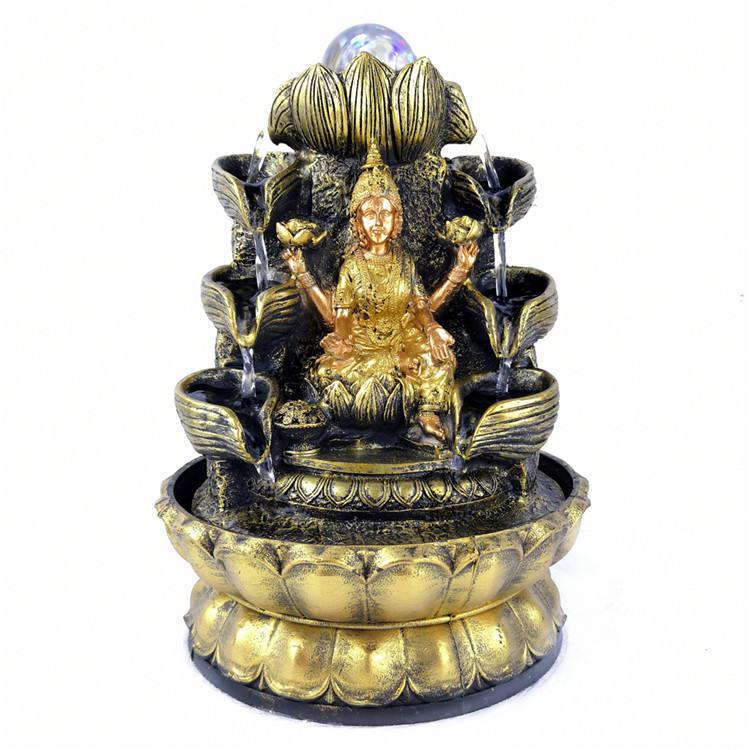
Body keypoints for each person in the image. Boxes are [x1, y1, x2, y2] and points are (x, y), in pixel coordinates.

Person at [282, 140, 477, 442]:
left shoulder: (405, 261)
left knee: (441, 358)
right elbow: (341, 317)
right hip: (362, 342)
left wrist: (434, 328)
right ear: (357, 221)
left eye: (385, 213)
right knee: (327, 371)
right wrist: (342, 341)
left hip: (403, 337)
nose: (378, 222)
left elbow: (421, 308)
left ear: (397, 219)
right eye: (369, 214)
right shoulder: (352, 266)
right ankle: (396, 388)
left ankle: (427, 411)